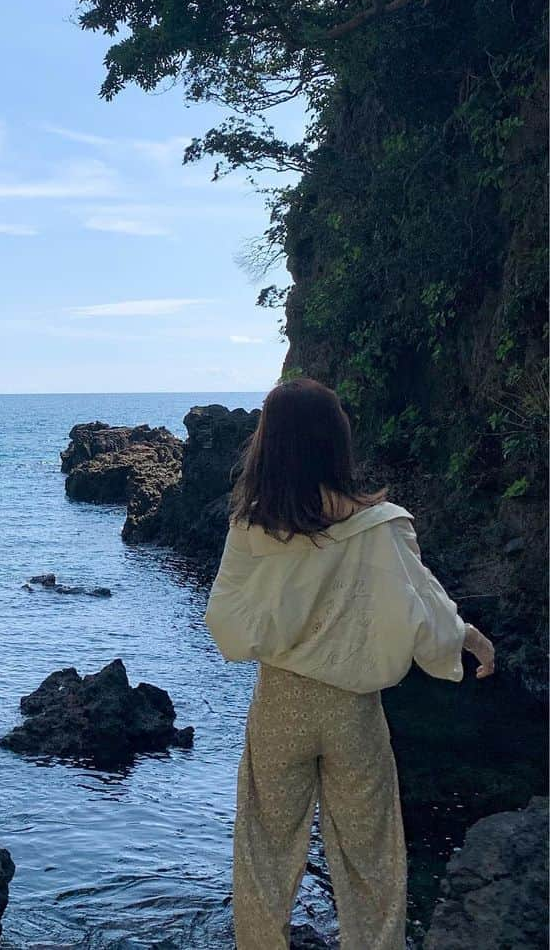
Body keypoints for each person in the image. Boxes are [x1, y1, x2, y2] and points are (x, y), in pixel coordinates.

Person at [204, 377, 495, 950]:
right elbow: (424, 606)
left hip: (282, 702)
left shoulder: (252, 526)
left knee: (265, 853)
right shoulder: (381, 525)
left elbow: (225, 620)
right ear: (338, 442)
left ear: (269, 444)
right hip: (354, 710)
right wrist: (469, 640)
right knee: (371, 861)